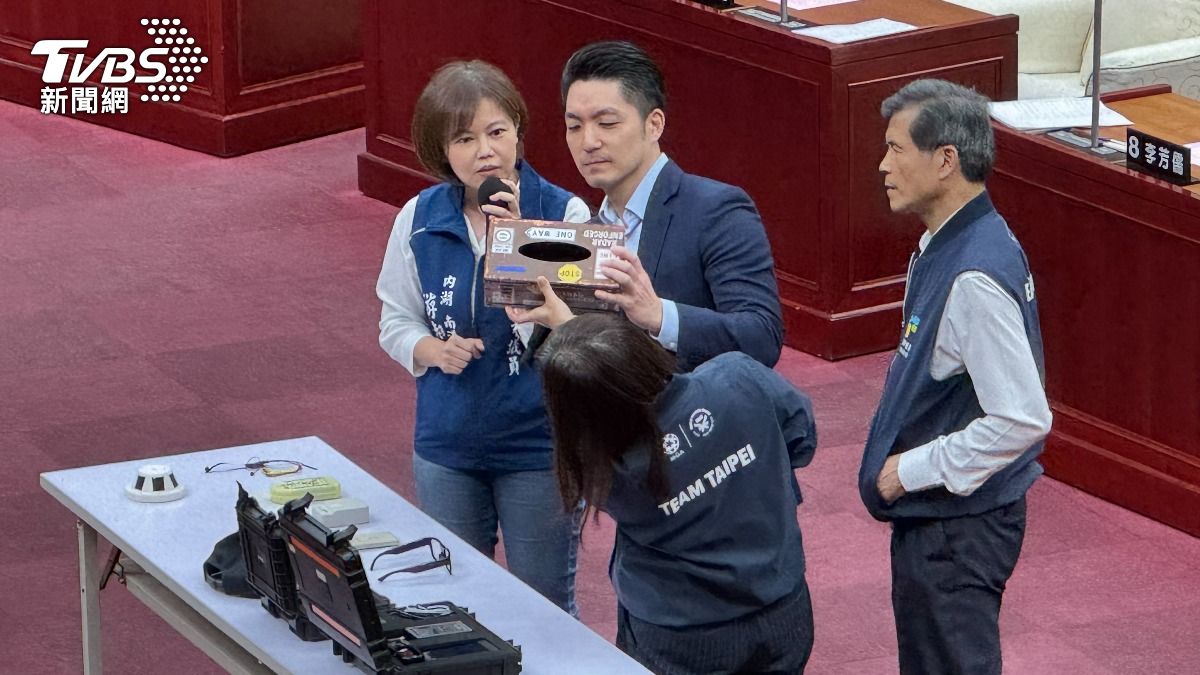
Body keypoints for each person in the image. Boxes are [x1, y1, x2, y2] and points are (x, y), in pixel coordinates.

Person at [375, 60, 590, 614]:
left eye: (497, 132)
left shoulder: (563, 212)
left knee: (543, 610)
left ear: (519, 131)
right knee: (454, 607)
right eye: (464, 139)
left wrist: (513, 236)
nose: (485, 151)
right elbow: (395, 320)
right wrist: (431, 350)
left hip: (539, 447)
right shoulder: (419, 218)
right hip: (447, 445)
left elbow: (579, 334)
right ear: (442, 150)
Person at [859, 79, 1053, 674]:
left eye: (897, 149)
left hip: (955, 532)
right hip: (943, 525)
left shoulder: (972, 273)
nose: (883, 164)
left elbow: (1023, 418)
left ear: (946, 160)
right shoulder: (950, 241)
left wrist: (908, 471)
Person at [536, 313, 817, 674]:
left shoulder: (606, 472)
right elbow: (801, 438)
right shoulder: (737, 377)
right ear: (643, 349)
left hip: (680, 637)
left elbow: (606, 389)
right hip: (781, 608)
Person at [510, 40, 783, 371]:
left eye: (607, 123)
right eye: (574, 127)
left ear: (654, 124)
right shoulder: (587, 235)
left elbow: (761, 337)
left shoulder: (716, 209)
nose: (588, 142)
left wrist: (659, 315)